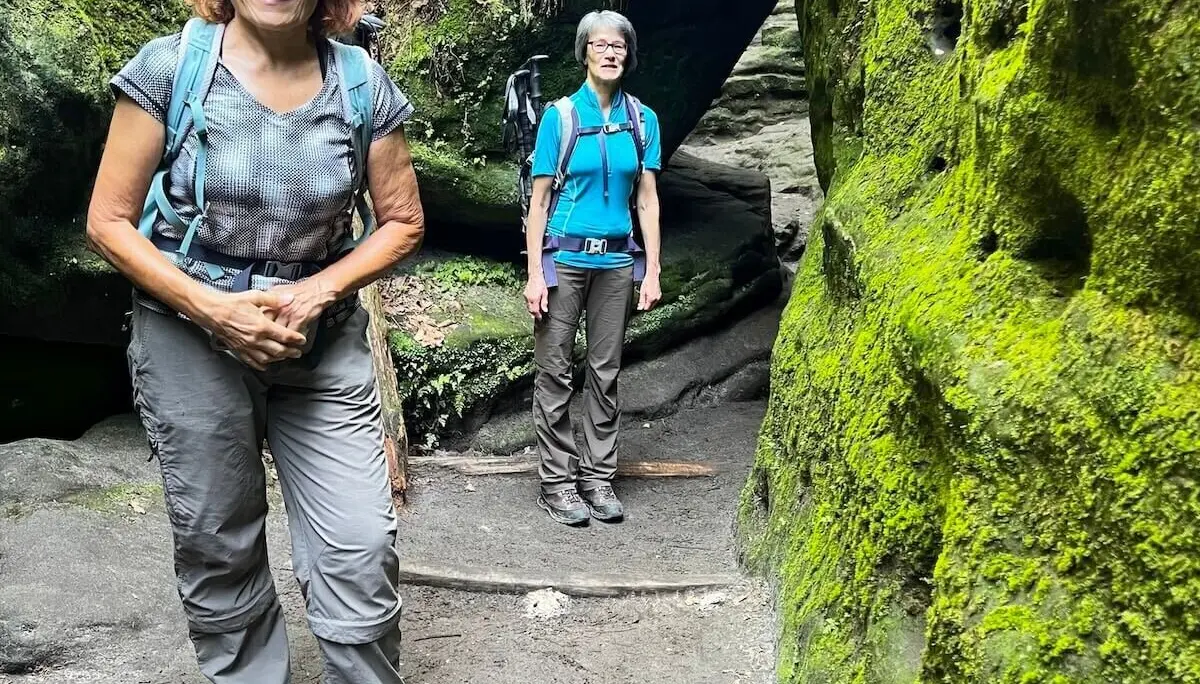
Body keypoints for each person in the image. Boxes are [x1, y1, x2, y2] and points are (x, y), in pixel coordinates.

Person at [85, 0, 423, 681]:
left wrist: (317, 292)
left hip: (318, 342)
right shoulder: (170, 68)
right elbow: (108, 220)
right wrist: (216, 310)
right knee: (218, 538)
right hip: (188, 336)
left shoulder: (361, 84)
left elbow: (402, 222)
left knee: (358, 544)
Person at [523, 9, 663, 526]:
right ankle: (557, 482)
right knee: (555, 371)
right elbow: (537, 204)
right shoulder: (560, 118)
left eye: (619, 46)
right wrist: (536, 273)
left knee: (605, 372)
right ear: (584, 52)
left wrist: (651, 271)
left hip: (616, 263)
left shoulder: (643, 119)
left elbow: (647, 201)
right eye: (600, 45)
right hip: (565, 260)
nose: (610, 53)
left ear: (628, 55)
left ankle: (597, 478)